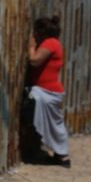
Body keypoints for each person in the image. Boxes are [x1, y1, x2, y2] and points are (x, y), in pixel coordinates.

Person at [26, 15, 70, 167]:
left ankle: (63, 156)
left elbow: (34, 61)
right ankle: (61, 155)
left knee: (55, 125)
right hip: (47, 91)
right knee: (54, 124)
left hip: (48, 92)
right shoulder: (54, 43)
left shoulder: (50, 43)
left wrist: (31, 47)